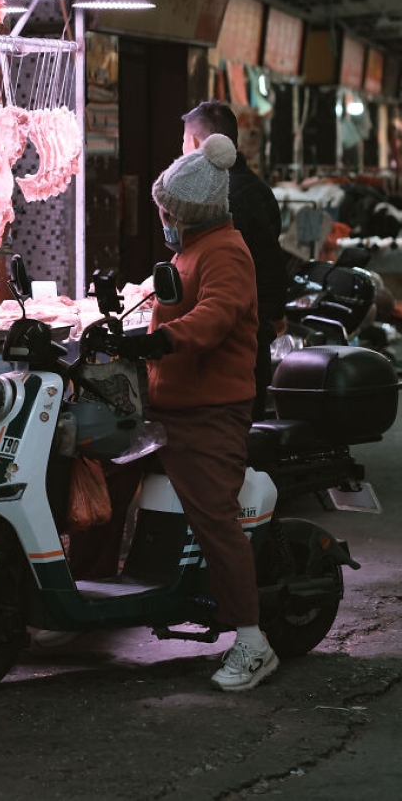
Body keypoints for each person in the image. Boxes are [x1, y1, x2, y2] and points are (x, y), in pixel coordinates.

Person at [69, 134, 279, 692]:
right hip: (163, 405)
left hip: (211, 411)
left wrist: (158, 343)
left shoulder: (227, 251)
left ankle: (254, 642)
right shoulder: (190, 248)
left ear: (187, 212)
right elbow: (175, 301)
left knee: (214, 515)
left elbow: (214, 316)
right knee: (99, 481)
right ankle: (78, 605)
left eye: (166, 212)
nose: (162, 219)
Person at [181, 100, 288, 420]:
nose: (182, 151)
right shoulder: (256, 187)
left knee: (233, 433)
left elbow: (223, 278)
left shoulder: (222, 198)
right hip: (253, 330)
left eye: (184, 142)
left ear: (198, 143)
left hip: (235, 337)